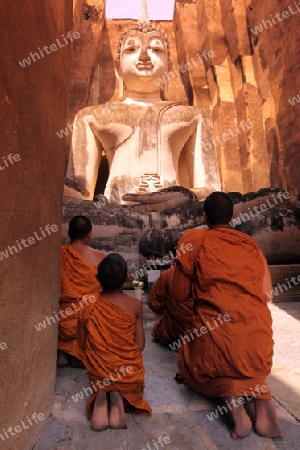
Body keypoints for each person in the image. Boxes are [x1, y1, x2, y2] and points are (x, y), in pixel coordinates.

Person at [64, 0, 220, 210]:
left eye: (156, 49)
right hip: (114, 216)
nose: (145, 56)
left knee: (274, 210)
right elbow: (80, 194)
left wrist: (187, 196)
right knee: (71, 218)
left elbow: (212, 192)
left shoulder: (193, 116)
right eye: (132, 49)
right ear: (118, 67)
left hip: (177, 216)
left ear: (169, 67)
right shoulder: (92, 116)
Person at [174, 192, 283, 439]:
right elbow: (266, 294)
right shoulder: (250, 245)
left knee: (191, 360)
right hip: (258, 343)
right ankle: (260, 395)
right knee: (242, 351)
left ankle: (233, 400)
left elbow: (180, 296)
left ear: (204, 217)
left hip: (216, 338)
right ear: (233, 216)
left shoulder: (195, 240)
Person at [77, 253, 152, 431]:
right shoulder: (135, 305)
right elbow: (140, 346)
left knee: (102, 371)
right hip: (128, 373)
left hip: (99, 371)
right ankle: (118, 392)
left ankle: (103, 393)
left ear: (97, 278)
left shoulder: (89, 305)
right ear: (127, 278)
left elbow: (81, 343)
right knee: (127, 371)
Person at [57, 215, 105, 367]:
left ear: (68, 233)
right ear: (89, 234)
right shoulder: (99, 258)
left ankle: (63, 352)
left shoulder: (58, 254)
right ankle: (81, 352)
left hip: (61, 320)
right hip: (87, 321)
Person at [148, 264, 194, 346]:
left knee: (157, 330)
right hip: (205, 327)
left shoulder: (168, 274)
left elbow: (155, 305)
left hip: (174, 329)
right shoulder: (210, 274)